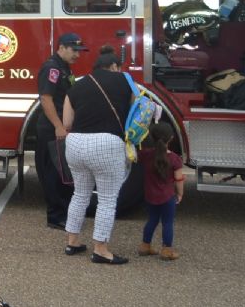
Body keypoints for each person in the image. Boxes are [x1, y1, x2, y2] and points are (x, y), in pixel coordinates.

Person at [61, 45, 132, 264]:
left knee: (80, 194)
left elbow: (67, 123)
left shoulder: (76, 86)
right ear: (114, 66)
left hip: (75, 144)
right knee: (107, 200)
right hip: (107, 143)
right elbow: (136, 111)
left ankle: (72, 242)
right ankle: (100, 249)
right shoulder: (125, 80)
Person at [35, 33, 84, 229]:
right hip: (51, 129)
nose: (77, 55)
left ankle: (63, 213)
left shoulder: (63, 67)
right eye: (74, 51)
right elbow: (46, 99)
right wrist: (58, 126)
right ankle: (55, 217)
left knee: (62, 173)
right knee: (53, 174)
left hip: (60, 128)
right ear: (62, 47)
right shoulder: (52, 68)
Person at [138, 122, 184, 261]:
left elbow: (134, 154)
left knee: (152, 220)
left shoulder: (145, 155)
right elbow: (179, 179)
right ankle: (167, 250)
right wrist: (180, 193)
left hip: (150, 195)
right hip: (167, 197)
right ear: (171, 138)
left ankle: (145, 246)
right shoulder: (175, 159)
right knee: (167, 222)